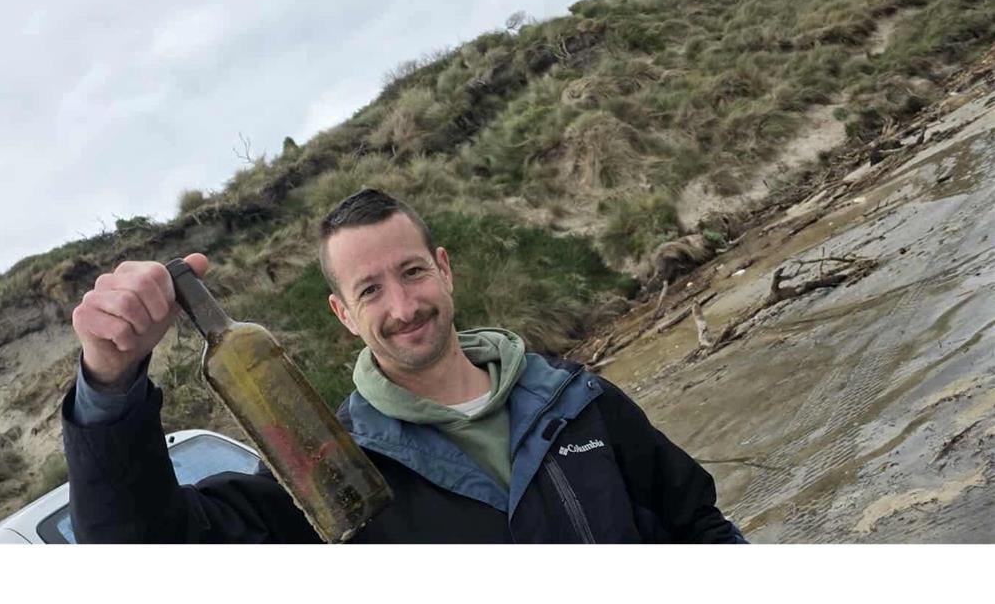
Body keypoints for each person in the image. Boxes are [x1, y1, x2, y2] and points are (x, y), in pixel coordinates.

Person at [63, 188, 746, 543]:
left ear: (444, 271)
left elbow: (699, 526)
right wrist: (109, 386)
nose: (403, 305)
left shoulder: (581, 402)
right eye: (370, 290)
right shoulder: (329, 478)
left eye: (413, 272)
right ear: (343, 314)